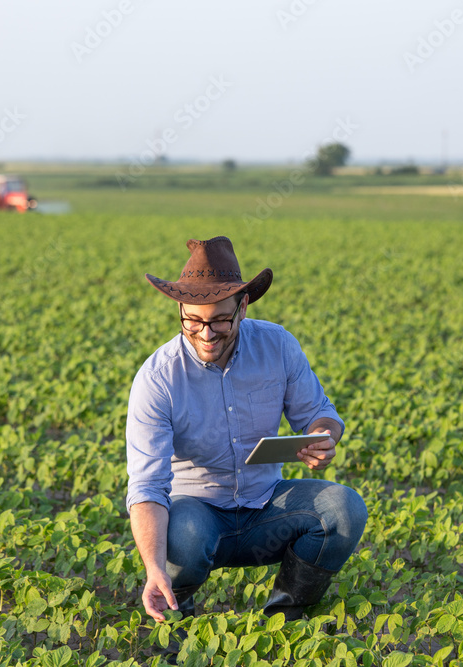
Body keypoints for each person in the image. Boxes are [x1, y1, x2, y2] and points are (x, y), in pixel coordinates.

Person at [125, 236, 367, 626]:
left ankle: (285, 620)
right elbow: (147, 487)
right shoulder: (157, 379)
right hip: (198, 514)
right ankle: (173, 623)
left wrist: (323, 437)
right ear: (180, 310)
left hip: (266, 506)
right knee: (183, 535)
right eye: (193, 320)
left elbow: (320, 413)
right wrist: (153, 567)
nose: (206, 334)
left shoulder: (277, 345)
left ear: (243, 306)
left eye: (219, 319)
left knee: (343, 509)